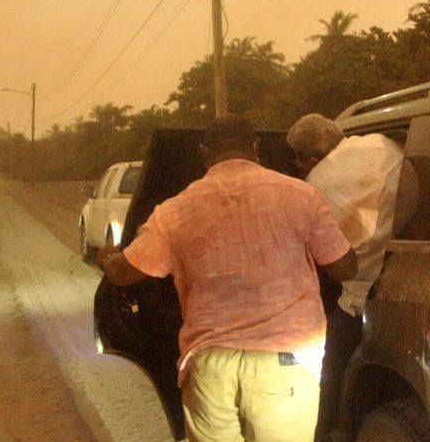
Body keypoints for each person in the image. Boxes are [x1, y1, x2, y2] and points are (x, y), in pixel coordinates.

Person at [97, 114, 357, 442]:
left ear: (205, 152)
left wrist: (107, 257)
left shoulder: (174, 211)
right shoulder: (302, 196)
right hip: (285, 363)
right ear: (256, 147)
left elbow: (123, 274)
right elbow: (345, 269)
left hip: (209, 366)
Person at [285, 113, 406, 441]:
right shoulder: (384, 145)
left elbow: (323, 256)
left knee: (329, 371)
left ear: (311, 159)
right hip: (411, 281)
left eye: (299, 162)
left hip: (361, 297)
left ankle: (324, 431)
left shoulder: (313, 187)